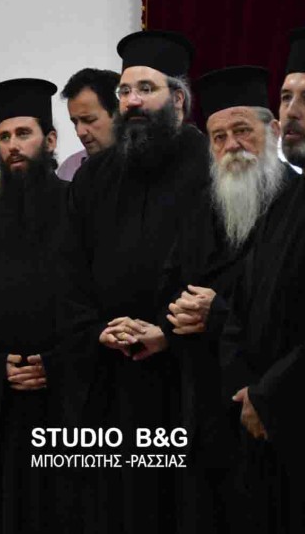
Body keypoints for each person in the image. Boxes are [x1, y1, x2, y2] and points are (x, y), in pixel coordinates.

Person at [43, 30, 209, 534]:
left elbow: (221, 270)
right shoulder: (95, 177)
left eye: (146, 89)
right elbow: (68, 269)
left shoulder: (210, 166)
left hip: (184, 381)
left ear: (177, 99)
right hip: (109, 379)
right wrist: (97, 329)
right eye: (124, 91)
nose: (132, 101)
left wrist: (167, 330)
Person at [153, 66, 294, 533]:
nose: (232, 145)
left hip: (267, 403)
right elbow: (170, 281)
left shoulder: (300, 203)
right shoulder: (201, 205)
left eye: (242, 131)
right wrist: (179, 312)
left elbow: (298, 307)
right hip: (202, 405)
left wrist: (219, 313)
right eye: (218, 137)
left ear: (274, 132)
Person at [220, 28, 305, 533]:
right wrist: (246, 388)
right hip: (258, 425)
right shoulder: (283, 200)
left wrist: (270, 396)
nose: (291, 112)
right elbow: (243, 304)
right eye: (286, 98)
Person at [0, 78, 69, 533]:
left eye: (23, 133)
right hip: (1, 408)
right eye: (4, 137)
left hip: (64, 406)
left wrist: (55, 364)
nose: (13, 146)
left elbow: (98, 305)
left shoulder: (79, 209)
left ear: (50, 140)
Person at [56, 68, 119, 180]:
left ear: (118, 114)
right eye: (75, 122)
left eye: (89, 120)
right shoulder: (68, 170)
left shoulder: (145, 168)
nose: (80, 132)